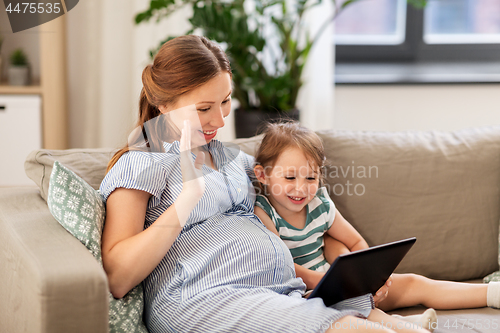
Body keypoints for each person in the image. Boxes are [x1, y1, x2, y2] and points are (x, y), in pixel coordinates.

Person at [99, 35, 430, 333]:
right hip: (204, 297)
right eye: (203, 108)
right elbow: (118, 277)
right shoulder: (142, 162)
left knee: (364, 307)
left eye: (225, 101)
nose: (220, 120)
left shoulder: (234, 160)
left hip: (279, 291)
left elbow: (303, 202)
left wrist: (328, 279)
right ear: (164, 104)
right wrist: (187, 198)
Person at [252, 121, 500, 318]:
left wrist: (371, 279)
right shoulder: (263, 213)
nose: (301, 189)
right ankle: (401, 324)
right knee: (345, 311)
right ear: (263, 175)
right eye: (290, 178)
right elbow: (283, 266)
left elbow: (356, 242)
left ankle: (492, 294)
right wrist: (332, 283)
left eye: (310, 178)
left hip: (340, 285)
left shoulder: (320, 204)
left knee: (414, 282)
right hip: (305, 295)